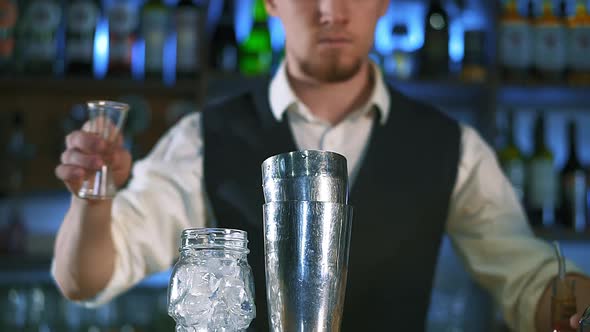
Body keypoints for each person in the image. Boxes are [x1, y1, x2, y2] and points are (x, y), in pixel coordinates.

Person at [53, 0, 590, 330]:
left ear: (384, 2)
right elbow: (86, 279)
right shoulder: (200, 137)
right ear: (270, 2)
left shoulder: (454, 145)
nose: (332, 10)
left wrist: (573, 302)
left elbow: (529, 280)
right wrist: (92, 197)